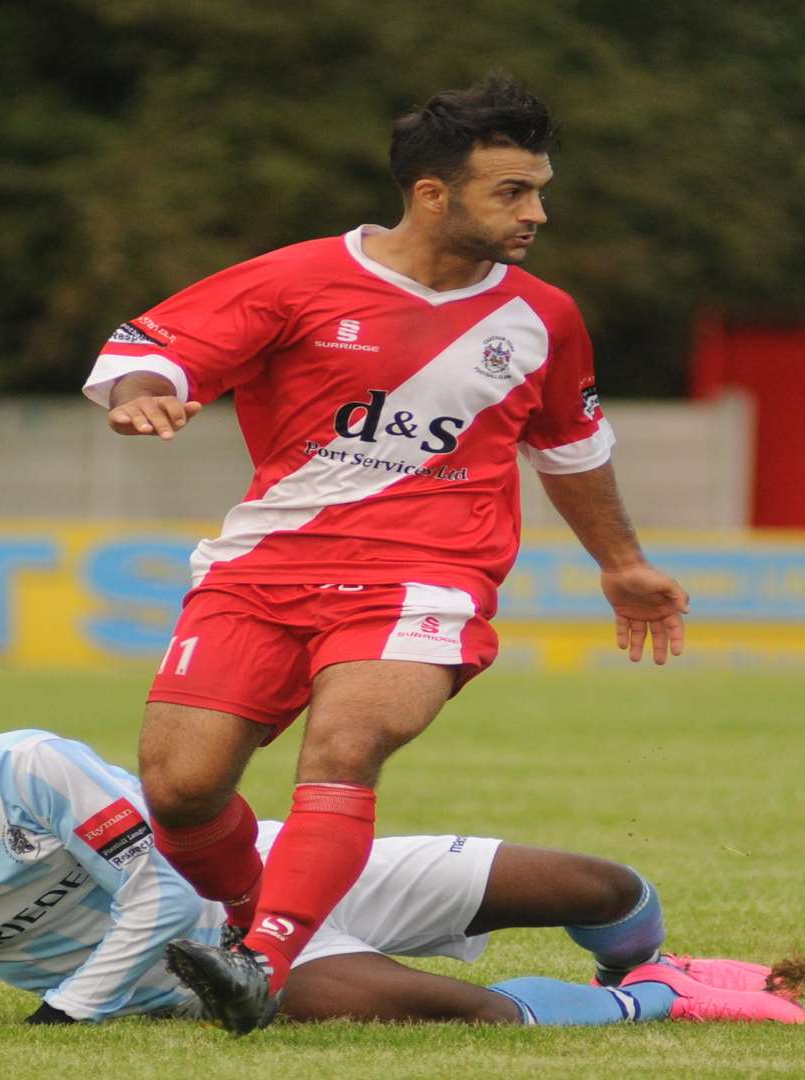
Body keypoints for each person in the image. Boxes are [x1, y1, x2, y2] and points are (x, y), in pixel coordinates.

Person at [80, 73, 691, 1032]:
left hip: (427, 572)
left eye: (539, 189)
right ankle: (254, 928)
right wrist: (141, 397)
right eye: (513, 192)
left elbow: (571, 448)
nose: (537, 211)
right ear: (432, 193)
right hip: (266, 565)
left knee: (348, 742)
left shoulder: (543, 317)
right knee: (181, 788)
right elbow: (151, 350)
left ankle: (267, 960)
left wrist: (620, 562)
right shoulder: (295, 279)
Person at [0, 730, 805, 1027]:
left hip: (285, 870)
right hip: (233, 969)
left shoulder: (21, 770)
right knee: (442, 1014)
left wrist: (68, 1009)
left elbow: (154, 885)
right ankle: (649, 1003)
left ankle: (646, 954)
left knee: (597, 882)